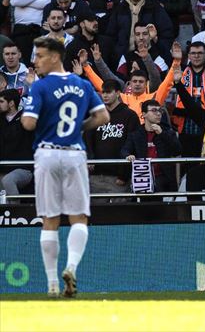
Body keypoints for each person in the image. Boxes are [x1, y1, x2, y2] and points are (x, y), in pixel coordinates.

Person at [21, 37, 110, 298]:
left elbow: (27, 123)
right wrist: (80, 128)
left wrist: (29, 97)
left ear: (55, 57)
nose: (35, 61)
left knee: (49, 219)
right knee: (79, 217)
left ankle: (51, 285)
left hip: (47, 153)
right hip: (74, 154)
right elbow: (103, 116)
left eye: (39, 56)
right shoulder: (82, 84)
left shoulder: (40, 87)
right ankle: (71, 268)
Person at [121, 99, 182, 193]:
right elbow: (124, 150)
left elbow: (177, 150)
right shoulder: (136, 134)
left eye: (160, 110)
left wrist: (162, 133)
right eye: (154, 110)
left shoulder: (167, 131)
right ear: (144, 114)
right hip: (143, 178)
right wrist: (128, 155)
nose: (158, 114)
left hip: (164, 178)